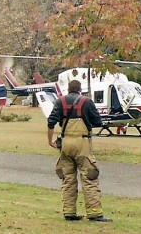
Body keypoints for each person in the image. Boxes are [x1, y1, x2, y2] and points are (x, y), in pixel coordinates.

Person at [47, 80, 112, 222]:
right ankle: (95, 213)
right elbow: (98, 122)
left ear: (68, 89)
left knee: (68, 178)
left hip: (65, 143)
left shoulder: (60, 102)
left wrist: (50, 141)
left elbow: (51, 121)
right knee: (89, 177)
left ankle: (69, 212)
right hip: (82, 143)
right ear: (80, 90)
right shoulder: (87, 102)